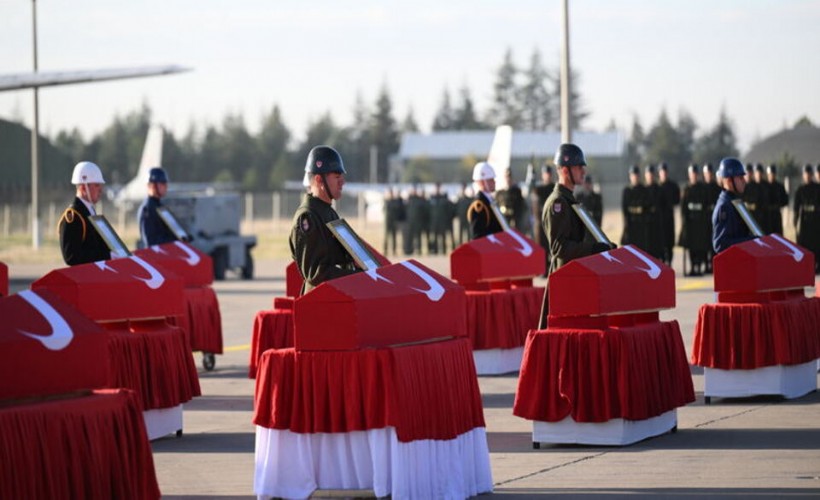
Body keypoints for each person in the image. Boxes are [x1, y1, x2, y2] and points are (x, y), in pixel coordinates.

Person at [539, 143, 614, 328]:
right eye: (578, 166)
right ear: (565, 170)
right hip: (564, 282)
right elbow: (559, 248)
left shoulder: (569, 200)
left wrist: (603, 246)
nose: (583, 170)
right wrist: (593, 249)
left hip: (575, 278)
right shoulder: (558, 203)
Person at [290, 145, 360, 294]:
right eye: (336, 177)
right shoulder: (308, 217)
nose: (342, 182)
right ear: (318, 180)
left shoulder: (327, 211)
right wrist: (358, 277)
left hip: (336, 299)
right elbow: (315, 273)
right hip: (320, 305)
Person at [59, 161, 112, 266]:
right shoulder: (73, 216)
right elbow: (71, 257)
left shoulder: (90, 211)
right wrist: (107, 256)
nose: (101, 189)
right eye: (97, 185)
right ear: (83, 188)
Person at [713, 157, 757, 254]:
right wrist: (751, 241)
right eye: (740, 178)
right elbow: (720, 244)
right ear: (729, 180)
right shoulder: (724, 206)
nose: (744, 181)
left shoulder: (734, 201)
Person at [678, 164, 710, 276]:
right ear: (689, 175)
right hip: (690, 222)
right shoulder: (686, 189)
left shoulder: (702, 189)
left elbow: (706, 206)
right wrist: (684, 221)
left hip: (700, 222)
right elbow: (683, 207)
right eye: (692, 174)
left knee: (700, 246)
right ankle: (692, 267)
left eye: (695, 174)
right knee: (691, 246)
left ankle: (698, 267)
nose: (694, 176)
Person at [137, 167, 177, 248]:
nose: (166, 187)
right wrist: (172, 242)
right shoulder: (148, 209)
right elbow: (150, 241)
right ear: (152, 186)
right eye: (162, 183)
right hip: (156, 257)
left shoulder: (159, 206)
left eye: (165, 184)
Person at [793, 164, 820, 273]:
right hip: (804, 220)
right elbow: (796, 207)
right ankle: (806, 266)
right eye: (806, 174)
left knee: (816, 242)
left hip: (816, 219)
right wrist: (795, 220)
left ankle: (817, 265)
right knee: (804, 243)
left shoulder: (818, 188)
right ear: (803, 175)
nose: (807, 176)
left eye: (809, 174)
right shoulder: (800, 190)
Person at [467, 161, 504, 239]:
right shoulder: (479, 205)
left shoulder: (490, 200)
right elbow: (477, 236)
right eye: (490, 180)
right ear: (482, 182)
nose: (494, 182)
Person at [531, 164, 555, 276]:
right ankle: (543, 270)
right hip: (540, 224)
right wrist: (531, 178)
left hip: (553, 222)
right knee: (542, 247)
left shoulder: (554, 188)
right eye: (546, 174)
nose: (548, 176)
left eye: (549, 174)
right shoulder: (539, 189)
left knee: (553, 248)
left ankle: (553, 268)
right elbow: (533, 191)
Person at [620, 165, 651, 252]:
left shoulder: (644, 190)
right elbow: (625, 209)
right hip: (631, 224)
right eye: (633, 175)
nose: (635, 177)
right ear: (630, 176)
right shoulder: (627, 191)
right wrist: (626, 225)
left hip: (641, 225)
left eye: (636, 175)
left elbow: (647, 208)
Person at [658, 162, 680, 266]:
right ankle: (662, 261)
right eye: (662, 172)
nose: (664, 174)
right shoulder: (657, 187)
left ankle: (669, 262)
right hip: (659, 219)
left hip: (669, 217)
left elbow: (677, 200)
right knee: (660, 242)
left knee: (670, 242)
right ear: (659, 173)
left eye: (665, 172)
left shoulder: (673, 186)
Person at [702, 163, 721, 272]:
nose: (708, 175)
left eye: (710, 173)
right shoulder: (702, 188)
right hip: (704, 219)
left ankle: (713, 264)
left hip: (714, 219)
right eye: (706, 174)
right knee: (705, 242)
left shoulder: (717, 188)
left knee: (714, 243)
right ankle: (706, 264)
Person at [496, 168, 528, 232]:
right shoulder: (499, 194)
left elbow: (522, 208)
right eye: (506, 177)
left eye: (509, 177)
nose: (508, 179)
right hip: (503, 224)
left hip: (515, 223)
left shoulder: (517, 192)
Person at [429, 183, 455, 254]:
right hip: (434, 221)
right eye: (436, 188)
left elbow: (449, 209)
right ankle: (435, 251)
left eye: (438, 188)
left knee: (443, 236)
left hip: (442, 221)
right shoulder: (432, 197)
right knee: (435, 236)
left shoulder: (444, 198)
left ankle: (443, 250)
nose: (437, 189)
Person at [765, 164, 789, 235]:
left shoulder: (780, 187)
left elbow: (785, 201)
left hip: (776, 214)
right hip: (766, 216)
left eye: (773, 174)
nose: (771, 176)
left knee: (778, 235)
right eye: (770, 174)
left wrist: (778, 205)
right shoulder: (764, 186)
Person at [382, 187, 405, 256]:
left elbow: (399, 207)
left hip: (394, 221)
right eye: (390, 193)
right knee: (386, 237)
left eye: (391, 193)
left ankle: (394, 251)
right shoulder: (386, 201)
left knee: (394, 236)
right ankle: (385, 250)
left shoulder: (396, 201)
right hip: (387, 222)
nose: (391, 194)